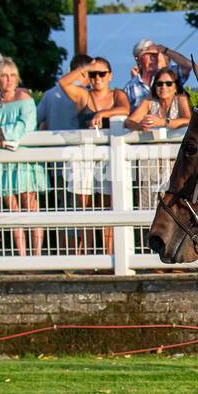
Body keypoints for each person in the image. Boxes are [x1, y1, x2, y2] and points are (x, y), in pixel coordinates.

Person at [0, 56, 47, 256]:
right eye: (5, 76)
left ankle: (37, 255)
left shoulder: (26, 100)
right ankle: (21, 256)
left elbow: (25, 126)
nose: (9, 79)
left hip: (23, 159)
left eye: (13, 75)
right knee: (13, 211)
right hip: (2, 162)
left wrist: (1, 132)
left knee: (30, 207)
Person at [58, 58, 130, 254]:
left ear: (110, 75)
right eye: (93, 74)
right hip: (85, 157)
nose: (97, 77)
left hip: (110, 158)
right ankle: (90, 256)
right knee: (86, 207)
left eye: (102, 73)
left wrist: (104, 113)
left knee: (109, 205)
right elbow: (63, 83)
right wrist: (85, 67)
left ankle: (109, 254)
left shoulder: (117, 94)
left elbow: (125, 109)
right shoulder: (83, 95)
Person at [126, 68, 192, 204]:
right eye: (159, 83)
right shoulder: (150, 101)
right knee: (147, 199)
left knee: (174, 198)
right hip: (151, 161)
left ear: (175, 86)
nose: (163, 87)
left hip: (175, 159)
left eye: (168, 83)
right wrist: (140, 126)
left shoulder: (180, 99)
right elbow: (128, 121)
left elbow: (189, 120)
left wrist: (163, 122)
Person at [37, 53, 92, 131]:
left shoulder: (49, 94)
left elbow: (38, 118)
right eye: (93, 73)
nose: (95, 77)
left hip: (52, 141)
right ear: (84, 72)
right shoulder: (86, 94)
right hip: (77, 140)